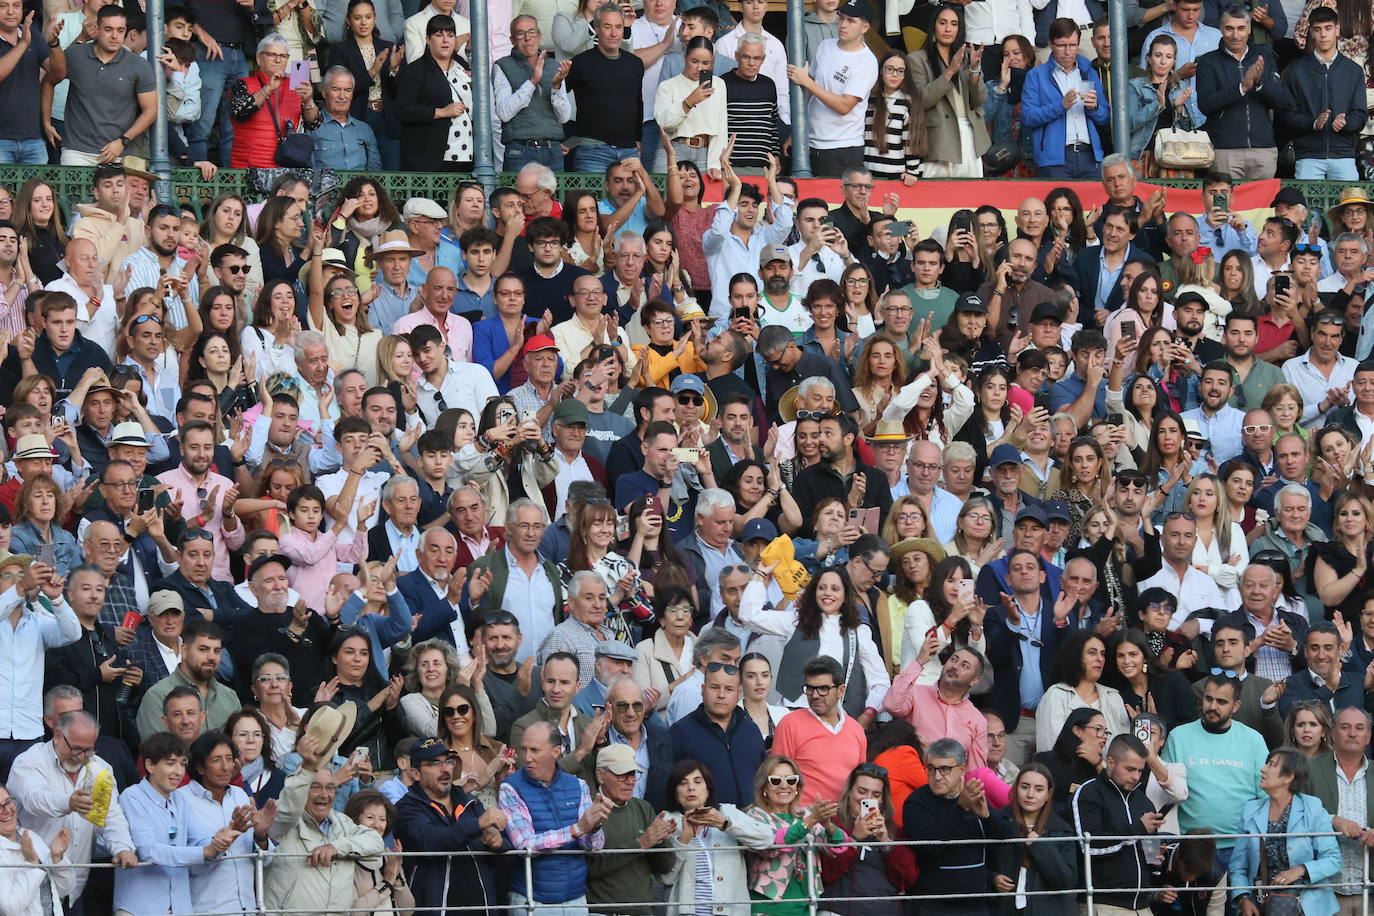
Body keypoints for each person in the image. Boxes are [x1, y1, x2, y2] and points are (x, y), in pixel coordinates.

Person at [9, 709, 138, 912]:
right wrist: (68, 803)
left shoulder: (100, 769)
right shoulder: (29, 761)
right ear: (58, 736)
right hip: (30, 887)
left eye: (89, 750)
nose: (83, 757)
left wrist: (122, 847)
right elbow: (35, 799)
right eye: (77, 749)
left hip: (74, 890)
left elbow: (111, 815)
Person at [265, 713, 387, 915]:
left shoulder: (342, 822)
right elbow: (290, 807)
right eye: (315, 787)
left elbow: (375, 841)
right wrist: (307, 768)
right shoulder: (284, 820)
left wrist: (337, 847)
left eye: (330, 787)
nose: (324, 795)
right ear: (304, 787)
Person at [392, 736, 509, 916]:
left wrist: (498, 843)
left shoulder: (471, 803)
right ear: (415, 773)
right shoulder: (405, 809)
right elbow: (429, 841)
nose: (444, 768)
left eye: (448, 761)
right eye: (434, 763)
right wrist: (478, 824)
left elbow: (509, 857)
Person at [1163, 674, 1269, 862]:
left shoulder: (1253, 740)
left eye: (1221, 702)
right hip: (1191, 846)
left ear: (1236, 706)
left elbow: (1266, 795)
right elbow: (1163, 793)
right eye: (1209, 698)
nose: (1212, 706)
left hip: (1240, 846)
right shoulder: (1178, 737)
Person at [903, 737, 1010, 916]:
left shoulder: (973, 796)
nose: (937, 776)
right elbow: (928, 847)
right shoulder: (916, 802)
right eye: (931, 769)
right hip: (934, 905)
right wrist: (961, 809)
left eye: (944, 769)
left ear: (962, 769)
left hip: (977, 903)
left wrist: (987, 816)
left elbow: (1006, 838)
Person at [1230, 746, 1342, 916]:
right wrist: (1243, 898)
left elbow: (1333, 860)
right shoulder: (1250, 810)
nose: (1263, 768)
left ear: (1289, 777)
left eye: (1271, 765)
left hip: (1307, 907)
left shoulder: (1312, 807)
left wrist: (1299, 870)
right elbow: (1238, 866)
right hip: (1263, 906)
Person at [660, 758, 776, 916]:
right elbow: (665, 878)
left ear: (708, 788)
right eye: (682, 783)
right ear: (674, 792)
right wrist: (684, 839)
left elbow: (767, 839)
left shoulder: (727, 812)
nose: (691, 788)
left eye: (698, 781)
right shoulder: (667, 821)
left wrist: (725, 824)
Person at [48, 5, 155, 167]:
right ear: (97, 29)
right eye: (108, 29)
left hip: (119, 153)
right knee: (74, 193)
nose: (114, 36)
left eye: (120, 30)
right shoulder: (75, 54)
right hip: (76, 151)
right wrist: (45, 122)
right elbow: (49, 81)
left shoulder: (139, 65)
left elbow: (152, 110)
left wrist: (123, 141)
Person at [1071, 734, 1164, 913]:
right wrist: (1137, 829)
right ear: (1110, 762)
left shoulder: (1145, 802)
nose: (1136, 776)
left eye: (1140, 770)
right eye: (1130, 769)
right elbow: (1088, 847)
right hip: (1105, 904)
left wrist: (1155, 858)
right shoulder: (1089, 793)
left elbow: (1151, 861)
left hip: (1143, 906)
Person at [1280, 5, 1366, 180]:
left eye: (1328, 28)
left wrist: (1346, 123)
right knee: (1307, 207)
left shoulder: (1353, 71)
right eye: (1318, 30)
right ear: (1311, 32)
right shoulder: (1295, 70)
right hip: (1308, 155)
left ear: (1337, 30)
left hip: (1344, 155)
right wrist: (1313, 123)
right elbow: (1286, 116)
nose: (1323, 35)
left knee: (1348, 206)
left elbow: (1360, 115)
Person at [1195, 6, 1282, 179]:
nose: (1235, 35)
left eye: (1241, 28)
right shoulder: (1208, 61)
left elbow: (1280, 101)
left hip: (1263, 150)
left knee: (1262, 206)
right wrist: (1241, 88)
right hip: (1224, 150)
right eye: (1229, 28)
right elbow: (1206, 104)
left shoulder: (1264, 56)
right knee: (1226, 206)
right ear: (1221, 29)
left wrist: (1259, 83)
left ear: (1249, 29)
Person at [1021, 18, 1110, 179]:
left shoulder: (1089, 71)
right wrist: (1060, 106)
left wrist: (1095, 108)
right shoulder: (1036, 75)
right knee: (1057, 205)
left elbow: (1105, 118)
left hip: (1090, 155)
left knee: (1093, 204)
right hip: (1053, 159)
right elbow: (1027, 117)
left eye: (1073, 45)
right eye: (1062, 45)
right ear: (1050, 44)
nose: (1068, 52)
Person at [668, 659, 765, 806]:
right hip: (704, 824)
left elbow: (764, 779)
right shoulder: (680, 732)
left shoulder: (751, 730)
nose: (721, 695)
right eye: (714, 687)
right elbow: (668, 787)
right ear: (702, 689)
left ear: (738, 694)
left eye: (729, 689)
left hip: (753, 823)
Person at [909, 4, 989, 178]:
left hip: (971, 136)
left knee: (970, 197)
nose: (948, 29)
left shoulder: (969, 56)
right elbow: (922, 100)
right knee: (937, 198)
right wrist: (949, 72)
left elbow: (979, 101)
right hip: (939, 138)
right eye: (942, 23)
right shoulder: (917, 59)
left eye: (954, 24)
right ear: (933, 26)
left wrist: (975, 71)